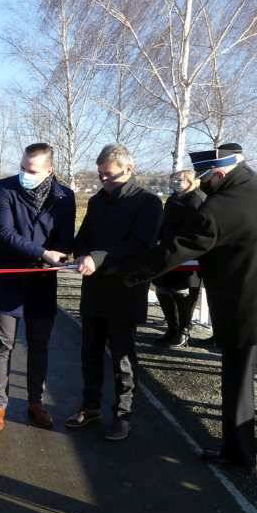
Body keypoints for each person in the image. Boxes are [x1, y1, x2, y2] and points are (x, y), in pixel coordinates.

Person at [109, 144, 257, 468]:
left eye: (205, 178)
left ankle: (238, 454)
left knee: (239, 384)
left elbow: (173, 251)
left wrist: (126, 273)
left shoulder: (220, 208)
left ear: (218, 173)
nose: (202, 184)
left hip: (247, 310)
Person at [66, 143, 163, 441]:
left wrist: (96, 258)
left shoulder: (148, 203)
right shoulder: (97, 201)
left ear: (129, 169)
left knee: (122, 356)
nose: (104, 181)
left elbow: (139, 245)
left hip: (125, 289)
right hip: (94, 289)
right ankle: (91, 405)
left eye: (109, 175)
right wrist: (76, 252)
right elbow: (83, 237)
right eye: (100, 176)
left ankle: (122, 414)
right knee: (89, 352)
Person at [0, 143, 75, 432]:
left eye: (31, 170)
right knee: (3, 346)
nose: (25, 174)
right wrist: (43, 253)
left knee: (39, 346)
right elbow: (5, 233)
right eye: (22, 167)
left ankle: (35, 403)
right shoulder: (4, 188)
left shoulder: (64, 197)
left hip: (41, 282)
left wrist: (61, 254)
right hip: (6, 280)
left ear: (49, 170)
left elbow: (65, 237)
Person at [152, 170, 206, 348]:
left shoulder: (197, 199)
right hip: (166, 251)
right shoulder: (173, 199)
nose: (176, 182)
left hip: (187, 255)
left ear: (191, 181)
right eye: (174, 179)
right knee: (163, 290)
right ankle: (171, 328)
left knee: (183, 294)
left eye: (180, 180)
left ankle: (184, 330)